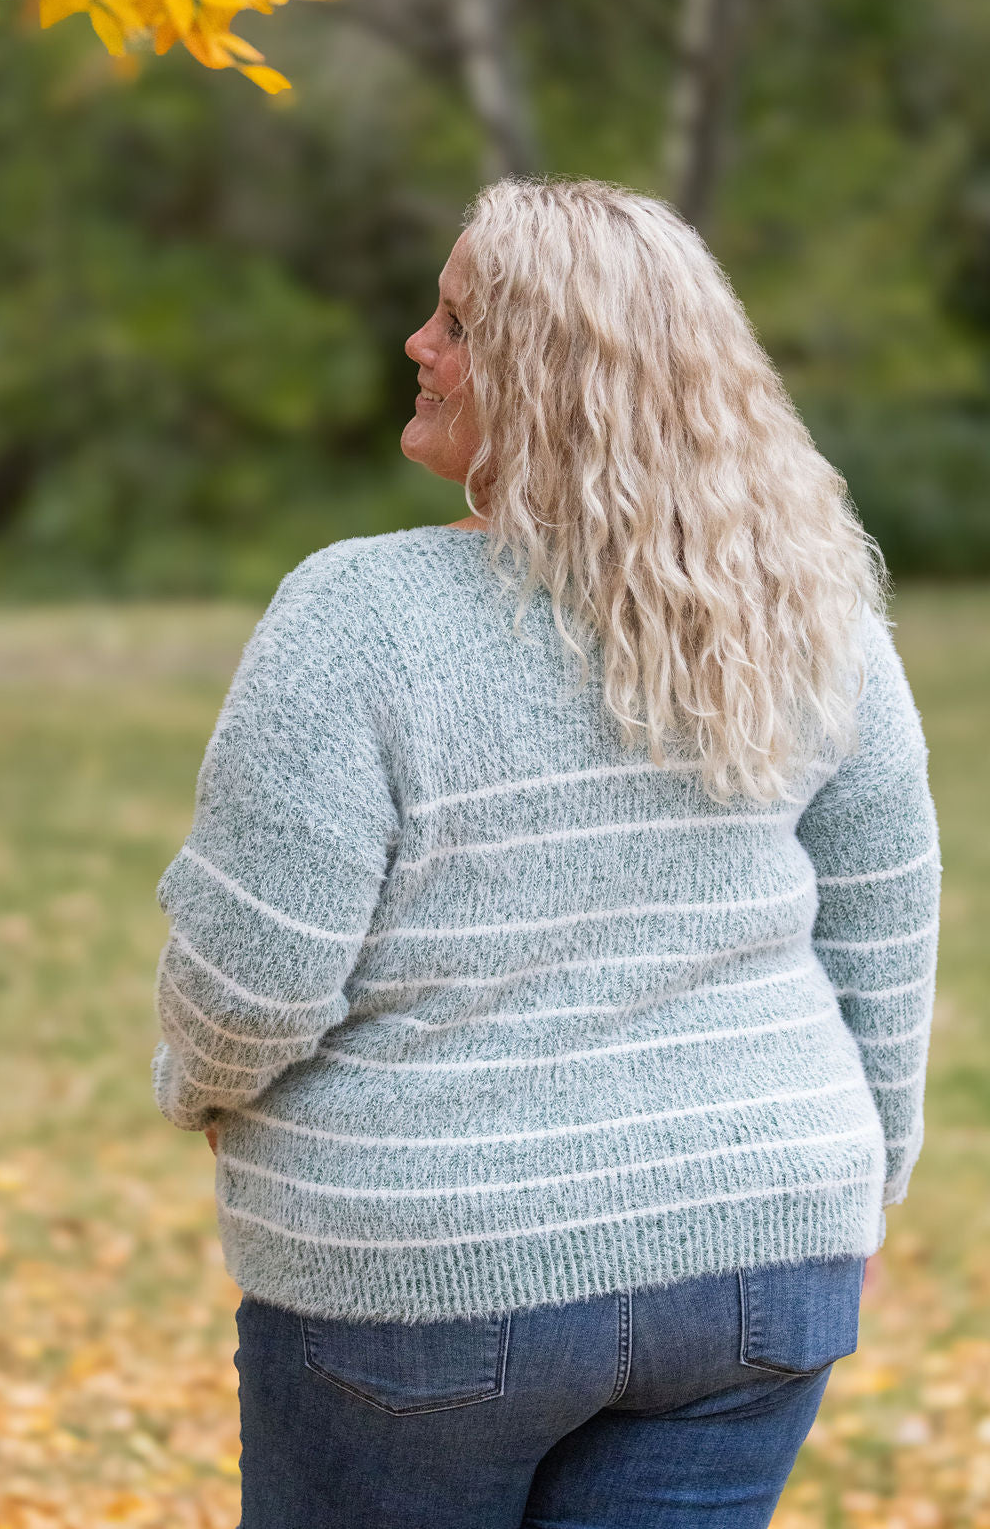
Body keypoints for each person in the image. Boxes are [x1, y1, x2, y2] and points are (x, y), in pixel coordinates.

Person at [151, 176, 942, 1528]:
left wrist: (198, 1086)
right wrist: (854, 1184)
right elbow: (885, 932)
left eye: (456, 320)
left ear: (551, 377)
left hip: (427, 1279)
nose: (418, 341)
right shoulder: (817, 612)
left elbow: (252, 984)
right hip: (762, 1256)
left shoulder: (355, 618)